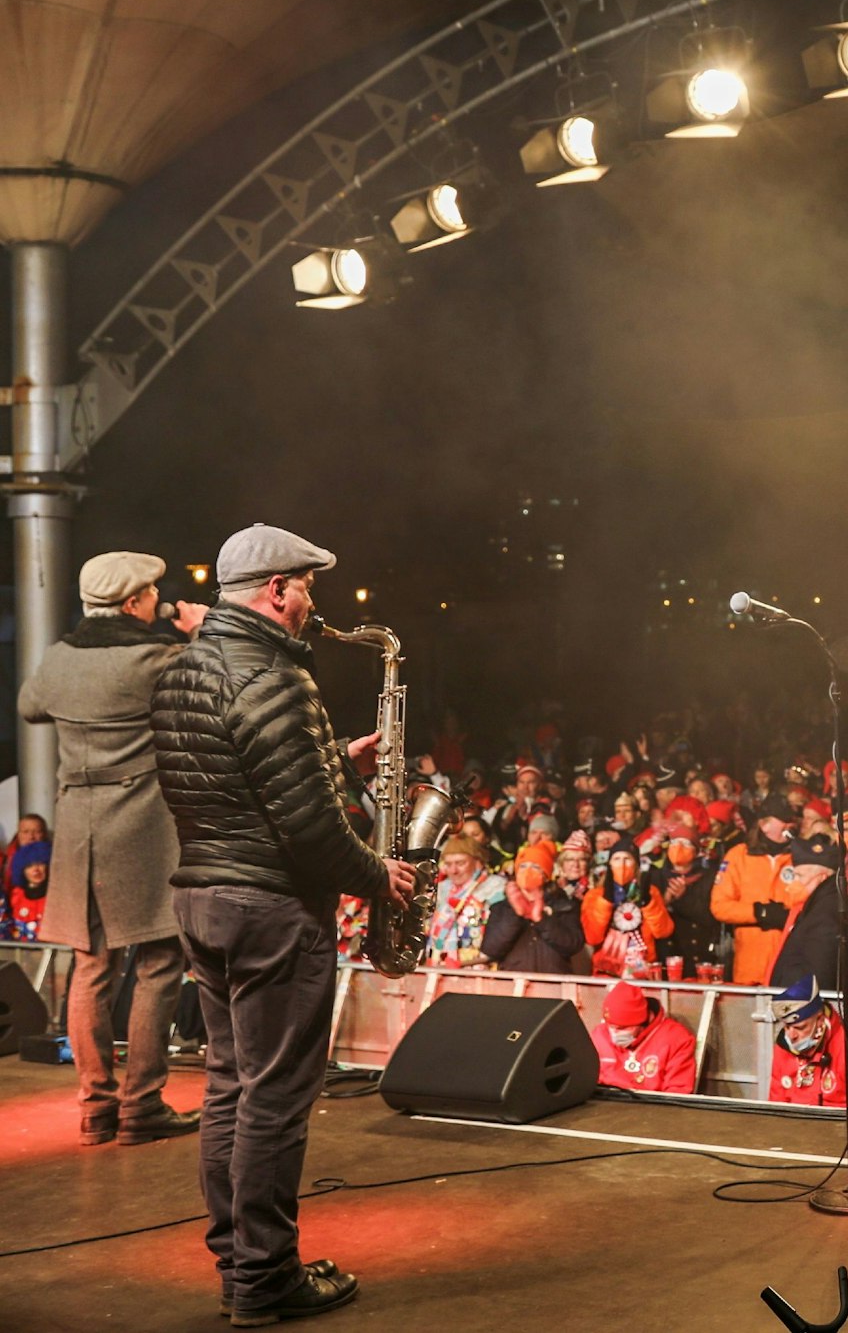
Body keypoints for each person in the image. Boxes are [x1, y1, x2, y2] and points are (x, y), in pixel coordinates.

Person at [154, 524, 415, 1326]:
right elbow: (306, 827)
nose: (313, 604)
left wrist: (332, 757)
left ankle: (239, 1261)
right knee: (274, 1099)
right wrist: (383, 877)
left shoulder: (182, 672)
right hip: (270, 911)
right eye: (306, 587)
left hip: (204, 900)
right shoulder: (274, 676)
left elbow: (233, 779)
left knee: (232, 1087)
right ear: (276, 591)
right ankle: (265, 1281)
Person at [18, 550, 207, 1147]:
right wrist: (199, 633)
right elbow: (215, 695)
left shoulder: (60, 658)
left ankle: (96, 1107)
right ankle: (141, 1105)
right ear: (132, 603)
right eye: (152, 593)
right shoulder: (159, 658)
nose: (159, 599)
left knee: (91, 965)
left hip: (78, 823)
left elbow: (29, 706)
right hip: (143, 825)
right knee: (157, 962)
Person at [767, 975, 848, 1110]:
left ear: (820, 1019)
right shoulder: (783, 1050)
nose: (791, 1035)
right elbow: (775, 1111)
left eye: (800, 1027)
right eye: (786, 1027)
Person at [709, 811, 798, 984]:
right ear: (765, 825)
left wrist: (790, 916)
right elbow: (719, 906)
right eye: (784, 820)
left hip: (790, 960)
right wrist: (759, 912)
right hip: (750, 964)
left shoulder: (799, 856)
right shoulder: (739, 855)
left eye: (792, 821)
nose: (790, 826)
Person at [480, 840, 585, 973]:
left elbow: (573, 945)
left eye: (536, 867)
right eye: (523, 866)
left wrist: (541, 920)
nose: (528, 871)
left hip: (554, 987)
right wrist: (516, 913)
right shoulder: (501, 908)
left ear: (546, 875)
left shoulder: (565, 906)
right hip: (513, 986)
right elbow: (491, 949)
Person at [581, 840, 673, 980]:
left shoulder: (651, 891)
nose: (622, 865)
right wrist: (606, 900)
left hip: (642, 967)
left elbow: (663, 931)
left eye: (627, 859)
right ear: (609, 864)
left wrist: (648, 903)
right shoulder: (594, 895)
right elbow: (592, 937)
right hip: (607, 968)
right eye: (617, 859)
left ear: (636, 864)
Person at [591, 980, 697, 1093]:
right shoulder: (599, 1035)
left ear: (642, 1022)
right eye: (610, 1026)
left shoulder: (677, 1039)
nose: (614, 1034)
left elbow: (678, 1092)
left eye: (622, 1028)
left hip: (653, 1106)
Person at [424, 835, 505, 967]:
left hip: (481, 967)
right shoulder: (441, 890)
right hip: (440, 966)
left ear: (477, 862)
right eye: (448, 864)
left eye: (461, 863)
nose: (454, 871)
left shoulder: (496, 887)